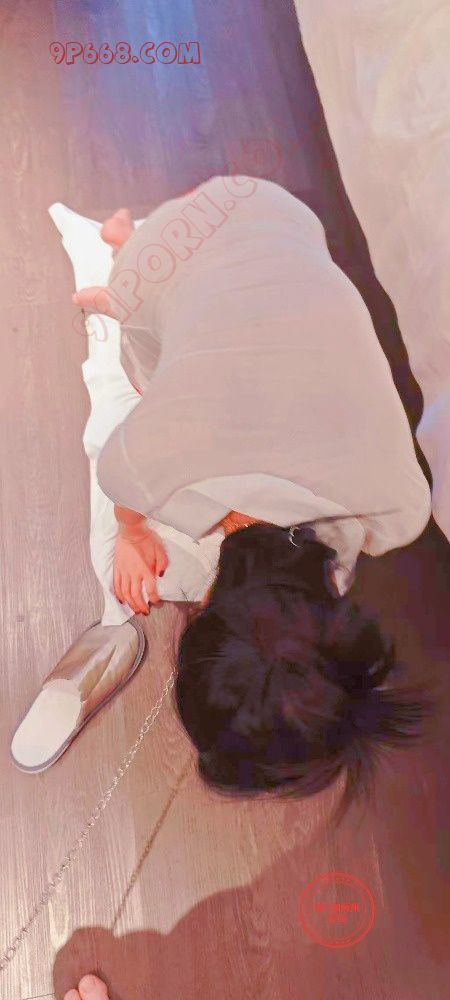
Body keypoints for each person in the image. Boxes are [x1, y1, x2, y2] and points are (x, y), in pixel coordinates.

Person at [61, 176, 431, 1000]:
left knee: (170, 330)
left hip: (284, 214)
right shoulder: (154, 458)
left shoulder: (402, 508)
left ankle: (128, 252)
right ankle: (120, 249)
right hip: (202, 228)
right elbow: (118, 473)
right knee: (130, 331)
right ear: (197, 613)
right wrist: (133, 533)